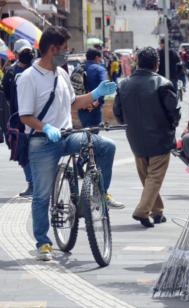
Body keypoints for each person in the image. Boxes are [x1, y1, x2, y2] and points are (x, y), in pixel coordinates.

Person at [17, 26, 124, 261]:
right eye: (65, 49)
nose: (67, 53)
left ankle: (97, 193)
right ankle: (43, 242)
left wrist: (96, 93)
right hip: (43, 142)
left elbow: (74, 102)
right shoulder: (28, 78)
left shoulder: (62, 74)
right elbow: (25, 116)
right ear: (52, 49)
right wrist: (45, 127)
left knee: (106, 146)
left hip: (67, 135)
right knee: (42, 195)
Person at [113, 47, 180, 228]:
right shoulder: (163, 83)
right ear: (156, 64)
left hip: (135, 137)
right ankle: (142, 211)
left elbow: (117, 112)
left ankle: (157, 212)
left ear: (137, 62)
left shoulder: (124, 84)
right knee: (154, 177)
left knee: (147, 178)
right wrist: (172, 126)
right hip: (160, 137)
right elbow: (173, 111)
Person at [2, 39, 35, 196]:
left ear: (15, 54)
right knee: (27, 151)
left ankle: (33, 184)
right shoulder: (38, 70)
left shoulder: (10, 73)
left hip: (20, 118)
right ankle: (35, 184)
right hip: (34, 118)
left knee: (23, 152)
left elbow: (7, 96)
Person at [79, 48, 108, 128]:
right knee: (93, 135)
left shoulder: (78, 69)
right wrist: (98, 102)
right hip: (94, 106)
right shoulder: (100, 69)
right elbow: (105, 86)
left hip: (81, 105)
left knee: (85, 131)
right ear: (97, 57)